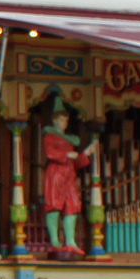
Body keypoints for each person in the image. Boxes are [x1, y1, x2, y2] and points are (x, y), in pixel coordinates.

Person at [41, 107, 94, 256]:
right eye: (62, 120)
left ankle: (70, 241)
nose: (64, 123)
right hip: (56, 174)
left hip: (69, 174)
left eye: (66, 120)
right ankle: (55, 241)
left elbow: (75, 161)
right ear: (55, 121)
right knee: (54, 205)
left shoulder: (69, 139)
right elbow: (50, 153)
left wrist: (85, 154)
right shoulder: (50, 137)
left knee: (73, 205)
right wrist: (67, 154)